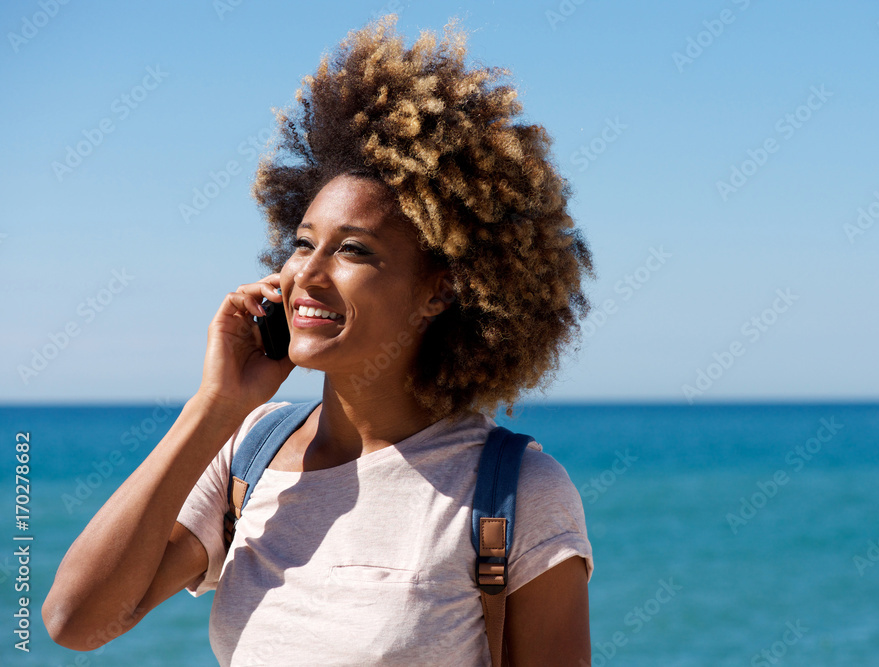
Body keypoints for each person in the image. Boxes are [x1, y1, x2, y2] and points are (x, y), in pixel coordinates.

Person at [43, 15, 596, 666]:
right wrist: (215, 405)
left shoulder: (516, 488)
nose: (305, 271)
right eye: (303, 242)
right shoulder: (250, 450)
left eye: (353, 250)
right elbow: (76, 618)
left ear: (438, 291)